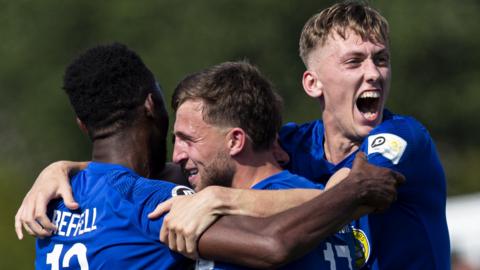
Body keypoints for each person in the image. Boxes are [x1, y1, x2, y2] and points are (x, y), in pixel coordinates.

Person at [16, 58, 404, 268]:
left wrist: (62, 167)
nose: (177, 156)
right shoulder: (152, 201)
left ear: (82, 124)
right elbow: (272, 245)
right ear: (151, 105)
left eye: (186, 139)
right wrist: (350, 191)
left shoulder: (53, 203)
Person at [149, 2, 450, 269]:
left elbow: (340, 198)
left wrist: (217, 199)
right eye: (354, 61)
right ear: (312, 83)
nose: (374, 73)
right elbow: (217, 157)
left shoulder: (403, 138)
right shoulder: (295, 144)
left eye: (381, 60)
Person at [33, 43, 194, 269]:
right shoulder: (157, 202)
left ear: (82, 125)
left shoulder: (48, 206)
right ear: (150, 104)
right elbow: (261, 246)